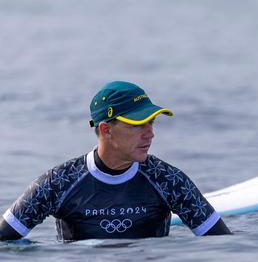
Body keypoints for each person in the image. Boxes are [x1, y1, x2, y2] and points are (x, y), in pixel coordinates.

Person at [0, 81, 231, 241]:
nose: (150, 133)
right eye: (138, 124)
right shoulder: (57, 183)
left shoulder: (168, 180)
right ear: (106, 130)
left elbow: (223, 248)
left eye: (152, 123)